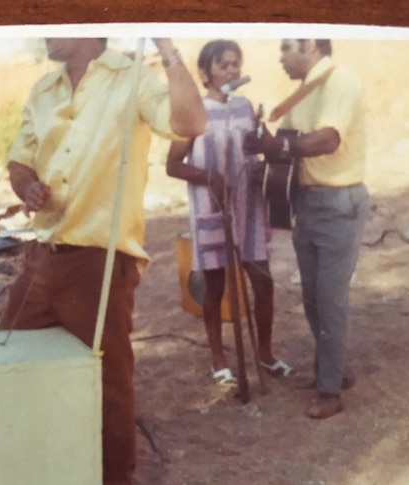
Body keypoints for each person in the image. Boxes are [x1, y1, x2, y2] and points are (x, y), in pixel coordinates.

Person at [0, 37, 206, 485]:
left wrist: (166, 46)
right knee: (10, 366)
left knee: (106, 385)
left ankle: (115, 478)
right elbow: (19, 160)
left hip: (101, 260)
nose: (44, 32)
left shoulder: (133, 78)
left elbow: (190, 123)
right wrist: (27, 185)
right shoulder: (43, 90)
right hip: (41, 257)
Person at [244, 39, 368, 419]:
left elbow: (327, 140)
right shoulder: (302, 93)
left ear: (312, 44)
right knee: (313, 298)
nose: (279, 57)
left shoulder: (340, 81)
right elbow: (283, 144)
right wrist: (262, 144)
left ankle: (329, 391)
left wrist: (276, 147)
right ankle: (335, 372)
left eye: (286, 48)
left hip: (338, 203)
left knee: (329, 299)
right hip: (308, 204)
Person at [165, 39, 295, 387]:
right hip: (212, 208)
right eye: (224, 65)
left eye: (236, 63)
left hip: (248, 207)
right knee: (215, 286)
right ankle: (219, 358)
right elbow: (172, 165)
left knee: (263, 283)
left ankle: (265, 354)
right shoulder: (194, 111)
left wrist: (261, 154)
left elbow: (267, 149)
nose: (233, 70)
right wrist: (210, 177)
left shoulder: (245, 107)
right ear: (205, 73)